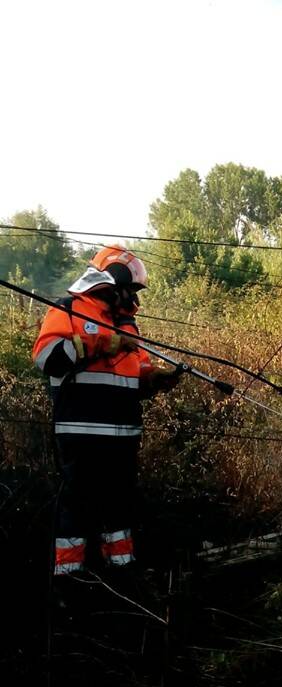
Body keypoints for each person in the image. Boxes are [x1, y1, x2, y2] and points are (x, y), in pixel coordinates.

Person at [33, 245, 181, 598]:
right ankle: (69, 582)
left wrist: (154, 379)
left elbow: (135, 375)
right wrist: (103, 343)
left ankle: (122, 576)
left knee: (120, 505)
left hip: (123, 433)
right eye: (131, 289)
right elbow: (47, 358)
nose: (133, 297)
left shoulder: (127, 325)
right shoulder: (67, 310)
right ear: (112, 278)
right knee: (78, 504)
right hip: (81, 431)